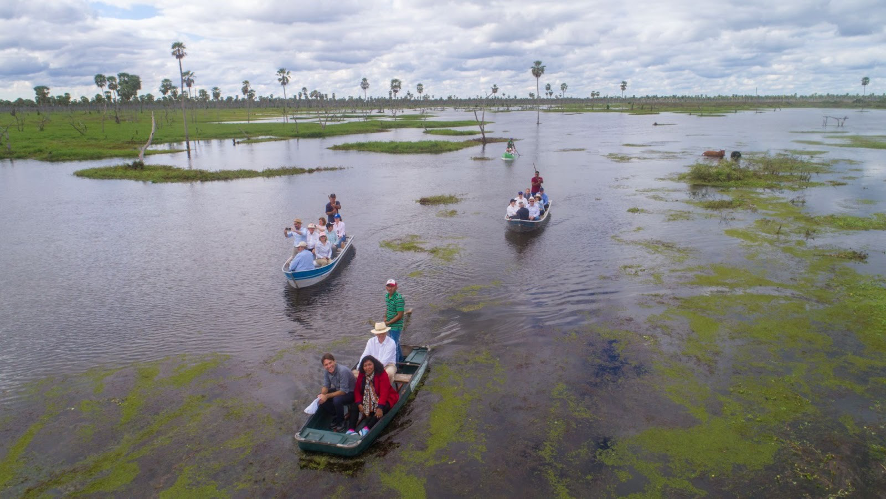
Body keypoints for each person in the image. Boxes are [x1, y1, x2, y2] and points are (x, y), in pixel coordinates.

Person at [348, 355, 399, 437]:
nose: (368, 367)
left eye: (369, 364)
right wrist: (359, 403)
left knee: (383, 408)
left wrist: (380, 407)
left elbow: (384, 392)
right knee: (354, 405)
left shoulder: (382, 374)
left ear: (374, 364)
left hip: (385, 397)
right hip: (368, 397)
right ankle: (351, 429)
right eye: (365, 365)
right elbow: (357, 390)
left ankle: (367, 428)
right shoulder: (362, 374)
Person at [318, 353, 356, 433]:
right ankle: (336, 414)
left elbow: (343, 391)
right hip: (340, 389)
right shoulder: (326, 371)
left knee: (336, 400)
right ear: (324, 366)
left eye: (330, 363)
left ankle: (341, 421)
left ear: (334, 361)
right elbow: (326, 386)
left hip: (352, 392)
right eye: (326, 365)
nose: (329, 366)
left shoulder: (343, 371)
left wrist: (327, 396)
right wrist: (322, 395)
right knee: (321, 399)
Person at [383, 279, 406, 363]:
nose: (390, 288)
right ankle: (400, 359)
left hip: (396, 326)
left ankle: (395, 366)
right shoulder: (387, 296)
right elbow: (388, 307)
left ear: (396, 287)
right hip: (389, 325)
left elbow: (400, 316)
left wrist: (388, 322)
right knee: (395, 343)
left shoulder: (399, 299)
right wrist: (385, 317)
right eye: (388, 286)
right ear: (386, 287)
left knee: (393, 346)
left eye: (392, 286)